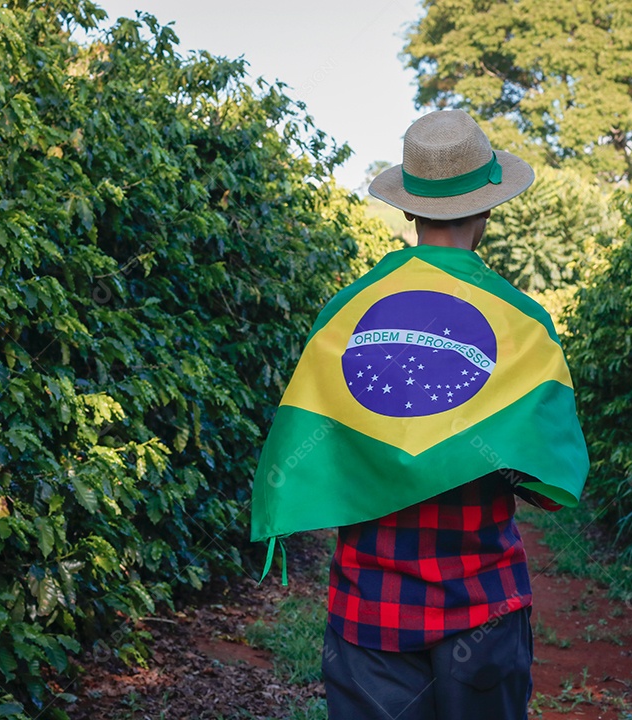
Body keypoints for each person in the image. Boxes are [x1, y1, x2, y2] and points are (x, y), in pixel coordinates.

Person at [249, 109, 589, 720]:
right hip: (482, 604)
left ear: (409, 209)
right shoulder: (522, 324)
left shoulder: (347, 314)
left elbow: (314, 445)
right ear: (490, 208)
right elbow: (543, 478)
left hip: (370, 606)